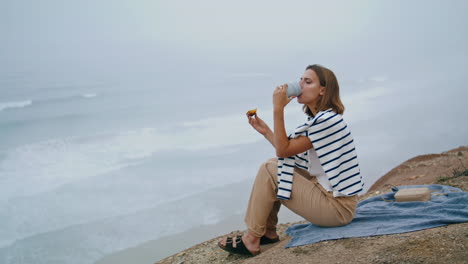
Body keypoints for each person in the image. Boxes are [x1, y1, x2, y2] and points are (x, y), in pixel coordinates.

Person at [218, 64, 364, 256]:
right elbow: (289, 155)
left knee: (270, 168)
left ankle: (252, 239)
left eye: (308, 81)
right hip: (334, 201)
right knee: (275, 165)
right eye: (301, 80)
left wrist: (278, 108)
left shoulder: (327, 121)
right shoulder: (322, 120)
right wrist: (266, 132)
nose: (300, 84)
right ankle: (268, 232)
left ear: (323, 90)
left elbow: (284, 151)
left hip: (337, 209)